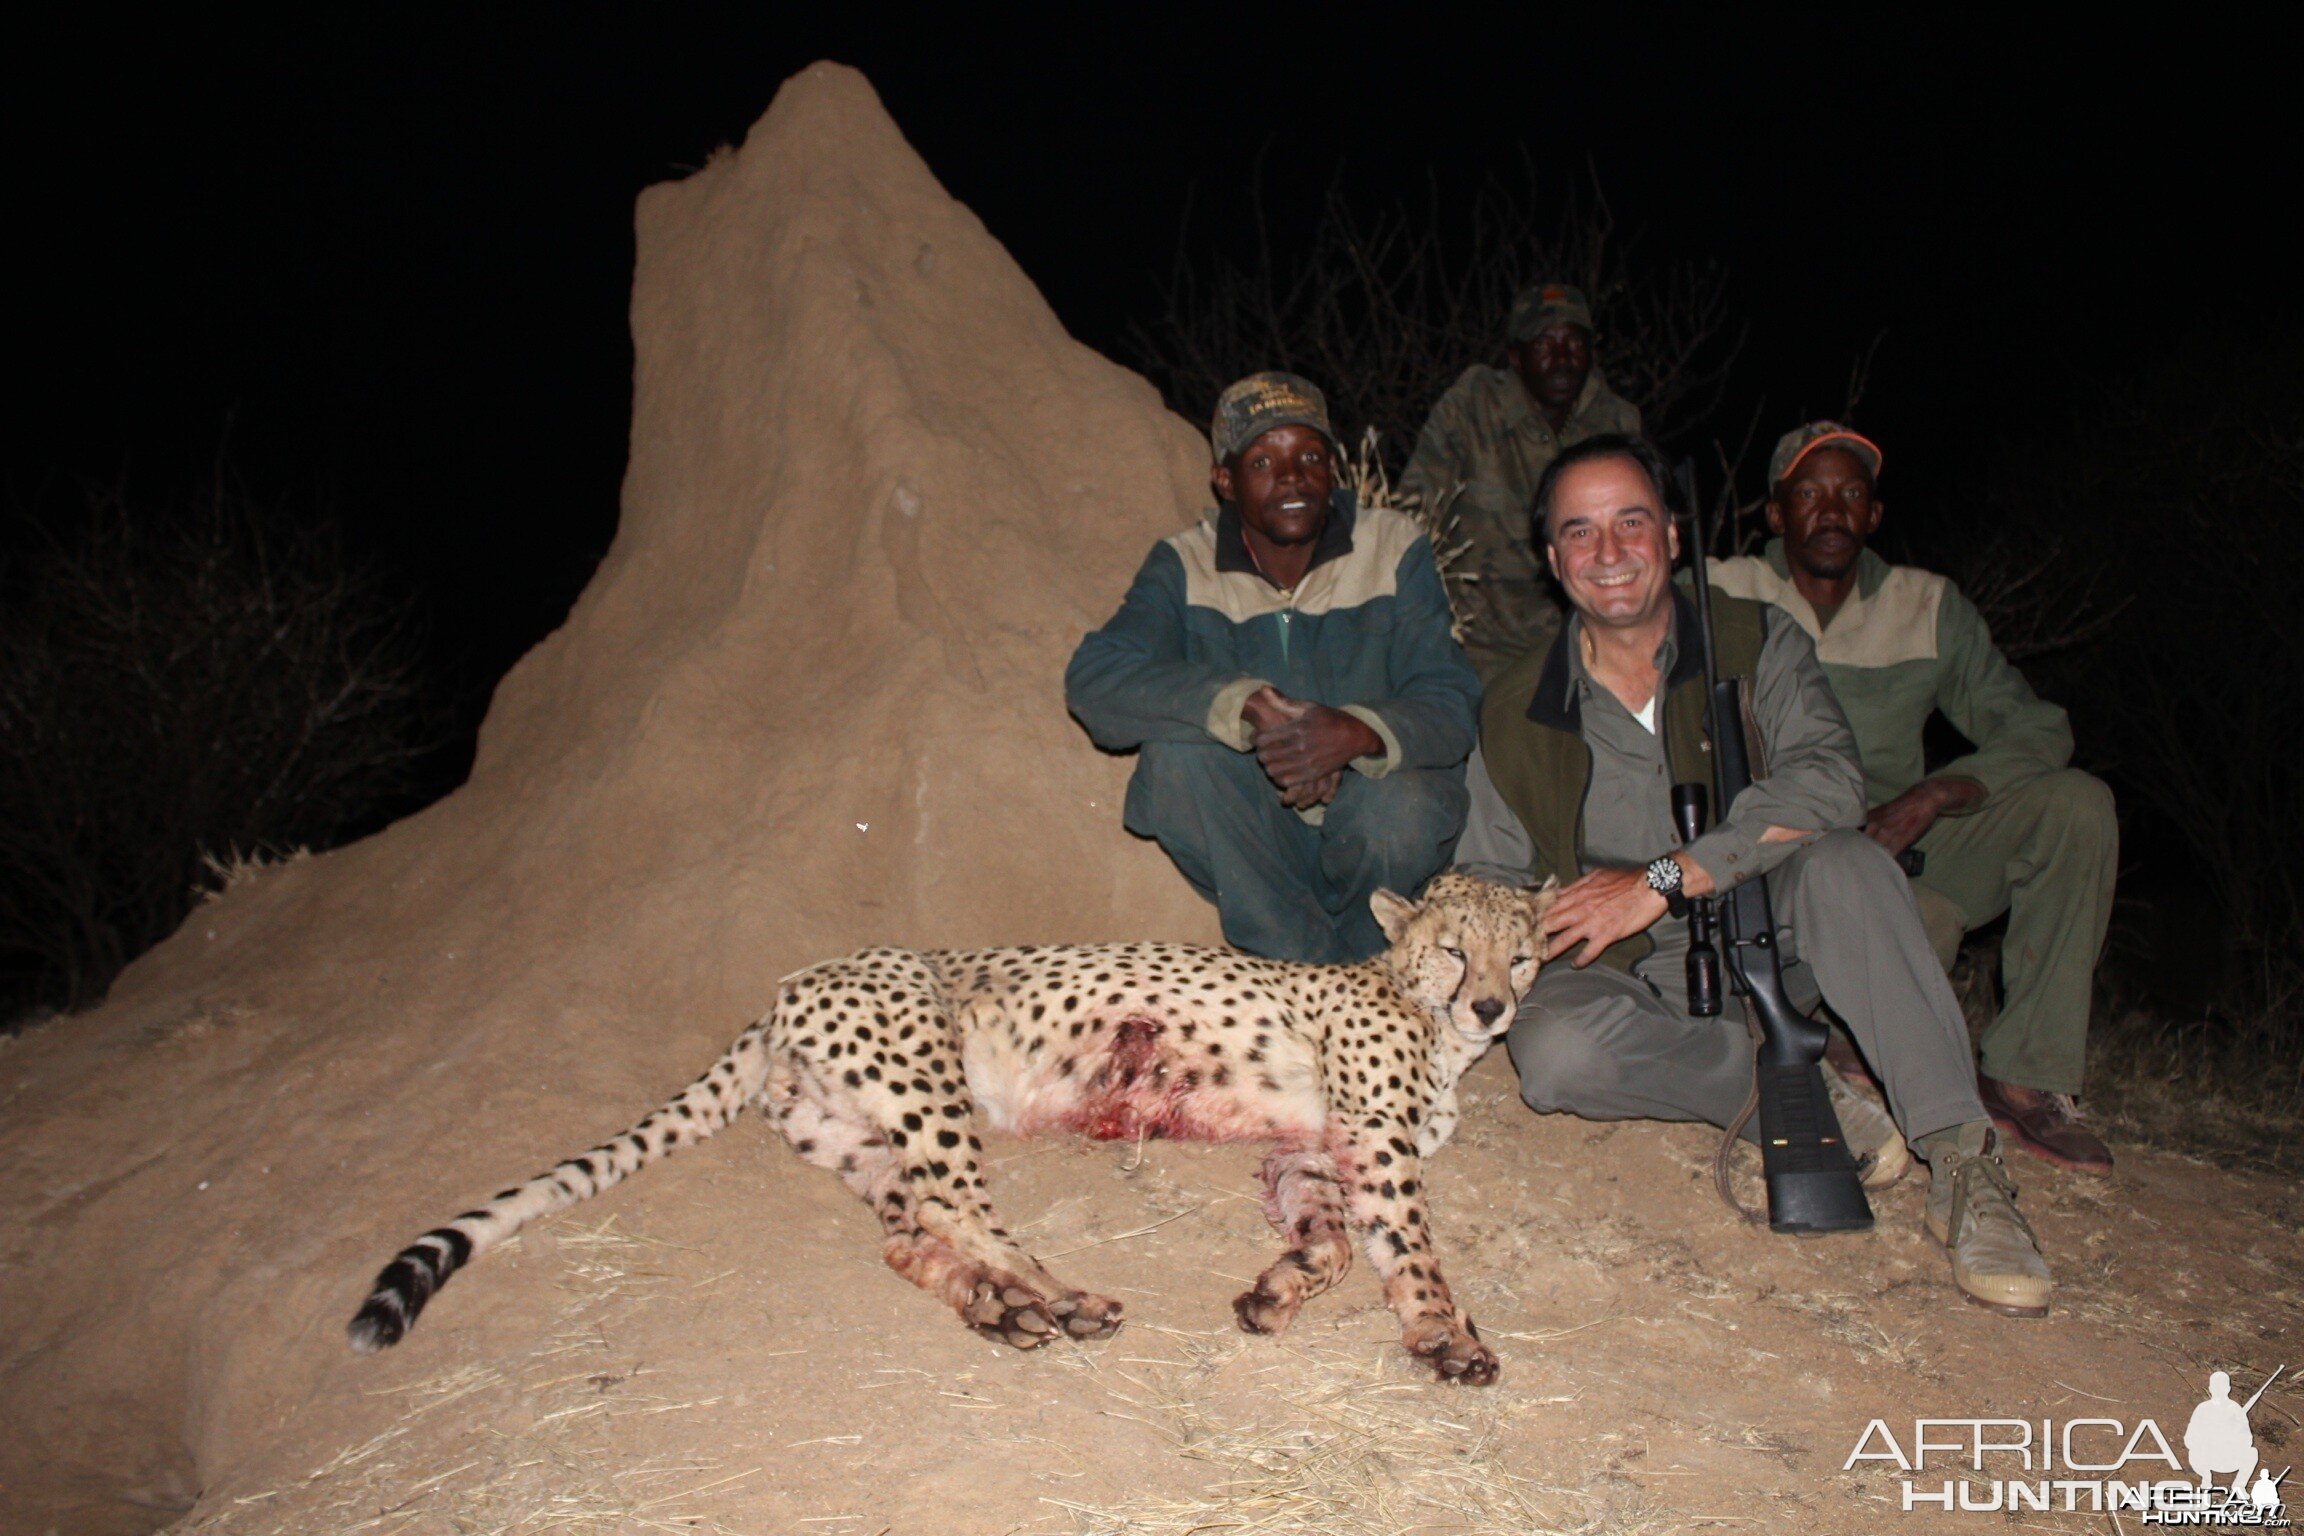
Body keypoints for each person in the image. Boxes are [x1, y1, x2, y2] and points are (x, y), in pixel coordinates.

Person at [1454, 432, 2055, 1317]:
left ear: (1669, 536)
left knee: (1848, 867)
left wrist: (1663, 877)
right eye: (1580, 533)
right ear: (1553, 559)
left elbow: (1830, 781)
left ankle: (1963, 1165)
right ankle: (1792, 1091)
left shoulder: (1753, 637)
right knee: (1552, 1059)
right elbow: (1488, 872)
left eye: (1632, 522)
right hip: (1614, 966)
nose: (1609, 552)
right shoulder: (1515, 704)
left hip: (1767, 926)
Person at [1709, 422, 2118, 1173]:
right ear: (1775, 515)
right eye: (1809, 493)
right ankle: (1852, 1051)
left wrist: (1935, 793)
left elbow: (2035, 725)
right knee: (1907, 926)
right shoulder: (1725, 591)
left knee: (2078, 804)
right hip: (1788, 848)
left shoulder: (1926, 605)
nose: (1831, 511)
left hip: (1902, 834)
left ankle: (2028, 1076)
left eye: (1850, 494)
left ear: (1873, 515)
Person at [1065, 371, 1481, 964]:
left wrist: (1353, 735)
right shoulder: (1185, 563)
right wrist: (1248, 705)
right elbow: (1095, 678)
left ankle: (1370, 972)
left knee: (1404, 807)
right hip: (1258, 834)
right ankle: (1301, 970)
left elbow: (1451, 698)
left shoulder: (1391, 547)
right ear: (1224, 480)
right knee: (1178, 763)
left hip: (1373, 821)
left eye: (1309, 455)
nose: (1292, 477)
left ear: (1331, 469)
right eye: (1262, 462)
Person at [1399, 282, 1642, 681]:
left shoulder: (1618, 422)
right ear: (1516, 357)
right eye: (1545, 344)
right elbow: (1413, 514)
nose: (1561, 357)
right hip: (1481, 645)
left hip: (1589, 637)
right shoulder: (1473, 407)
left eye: (1574, 343)